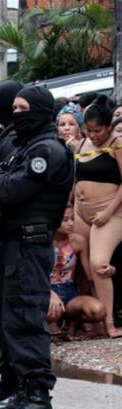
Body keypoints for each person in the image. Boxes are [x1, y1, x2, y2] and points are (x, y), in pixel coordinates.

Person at [0, 85, 74, 409]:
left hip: (29, 245)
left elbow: (11, 190)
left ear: (41, 111)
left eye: (23, 107)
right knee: (7, 318)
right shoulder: (24, 144)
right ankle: (12, 385)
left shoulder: (47, 150)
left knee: (25, 320)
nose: (16, 114)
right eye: (14, 107)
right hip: (8, 244)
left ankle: (38, 397)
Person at [70, 95, 122, 339]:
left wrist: (108, 211)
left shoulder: (117, 143)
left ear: (109, 126)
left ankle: (109, 321)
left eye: (98, 130)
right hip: (82, 210)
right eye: (89, 130)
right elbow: (76, 179)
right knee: (78, 266)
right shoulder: (81, 145)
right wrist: (70, 207)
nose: (93, 135)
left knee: (98, 265)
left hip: (110, 212)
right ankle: (86, 319)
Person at [48, 207, 106, 338]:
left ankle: (72, 322)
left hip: (69, 293)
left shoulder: (78, 241)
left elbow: (89, 275)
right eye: (65, 220)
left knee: (98, 311)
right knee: (46, 313)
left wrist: (107, 270)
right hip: (47, 292)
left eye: (73, 219)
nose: (71, 223)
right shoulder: (42, 242)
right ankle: (52, 322)